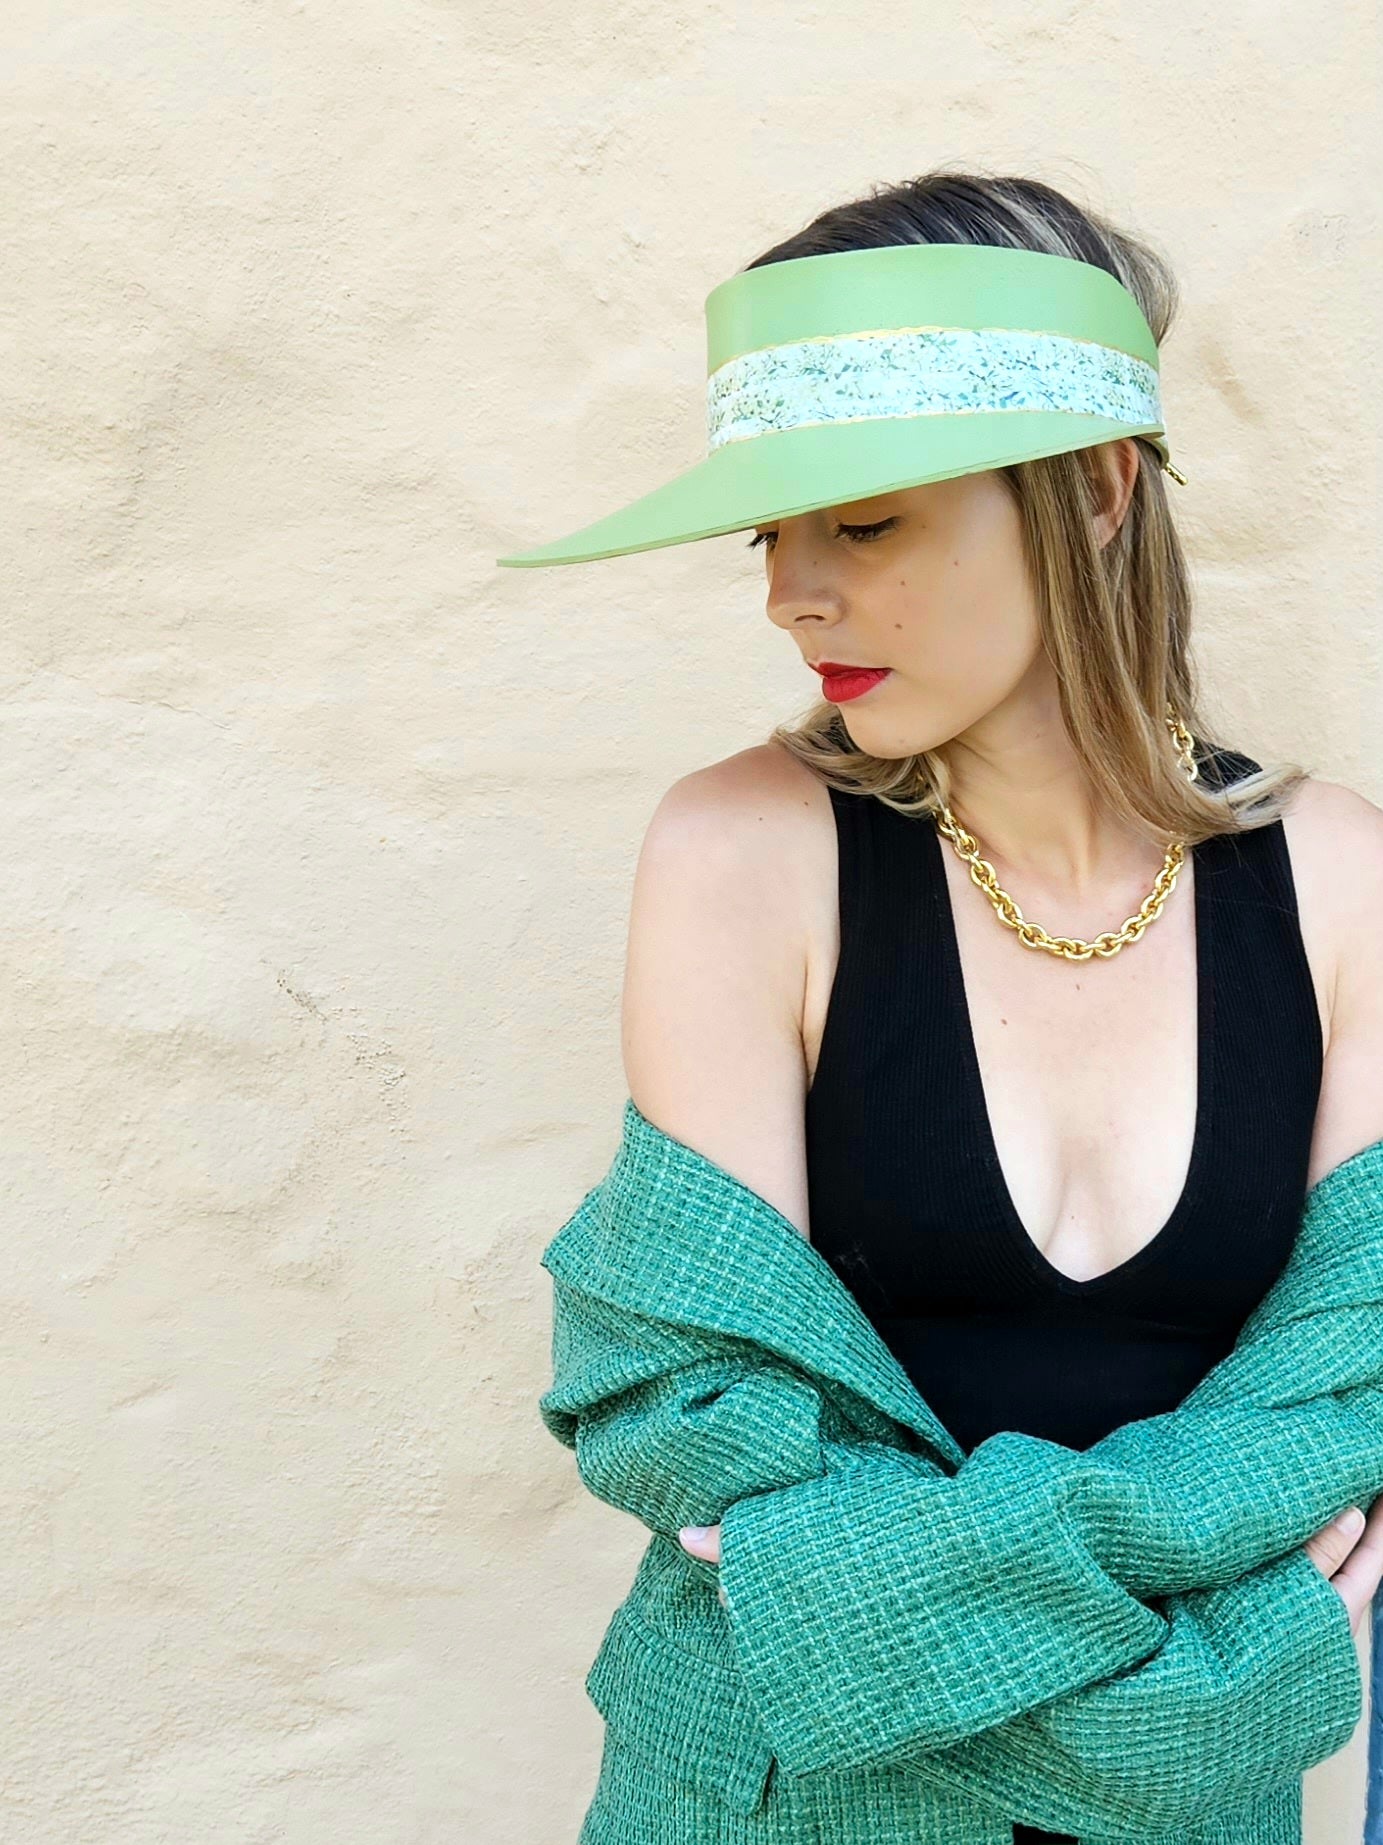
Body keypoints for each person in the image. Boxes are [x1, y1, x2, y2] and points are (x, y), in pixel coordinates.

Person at [501, 170, 1383, 1845]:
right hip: (784, 1803)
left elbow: (1353, 1397)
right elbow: (709, 1420)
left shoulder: (1346, 882)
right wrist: (1212, 1665)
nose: (791, 594)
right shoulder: (743, 851)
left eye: (866, 518)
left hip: (1183, 1812)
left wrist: (854, 1604)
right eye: (774, 529)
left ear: (1100, 488)